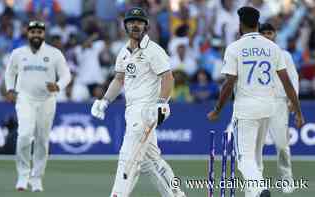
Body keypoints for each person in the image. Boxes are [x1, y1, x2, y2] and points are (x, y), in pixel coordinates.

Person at [207, 7, 304, 197]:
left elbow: (228, 84)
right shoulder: (273, 48)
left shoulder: (234, 48)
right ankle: (253, 193)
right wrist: (299, 112)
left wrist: (217, 109)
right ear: (258, 24)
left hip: (245, 110)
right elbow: (288, 83)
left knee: (244, 159)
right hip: (268, 107)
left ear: (240, 25)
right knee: (256, 156)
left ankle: (259, 189)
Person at [91, 7, 186, 197]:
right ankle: (177, 194)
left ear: (146, 26)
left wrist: (161, 102)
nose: (135, 25)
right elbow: (119, 79)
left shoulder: (154, 50)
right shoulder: (124, 52)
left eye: (140, 22)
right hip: (131, 110)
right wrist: (105, 101)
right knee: (152, 161)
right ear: (125, 26)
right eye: (131, 22)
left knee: (128, 158)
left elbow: (168, 78)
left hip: (146, 111)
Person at [5, 20, 71, 192]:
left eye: (39, 32)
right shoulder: (18, 53)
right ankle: (22, 175)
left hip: (47, 100)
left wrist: (58, 86)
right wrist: (10, 89)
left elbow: (66, 75)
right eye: (33, 32)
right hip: (25, 98)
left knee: (42, 140)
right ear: (28, 34)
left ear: (44, 34)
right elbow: (10, 72)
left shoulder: (54, 53)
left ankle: (36, 178)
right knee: (25, 135)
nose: (36, 35)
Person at [259, 22, 299, 193]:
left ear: (275, 35)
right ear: (260, 35)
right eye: (265, 33)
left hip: (279, 103)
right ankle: (257, 180)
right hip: (259, 103)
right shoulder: (255, 56)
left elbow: (293, 78)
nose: (268, 36)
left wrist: (293, 99)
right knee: (256, 145)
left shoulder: (285, 55)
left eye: (270, 33)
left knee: (282, 144)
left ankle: (286, 178)